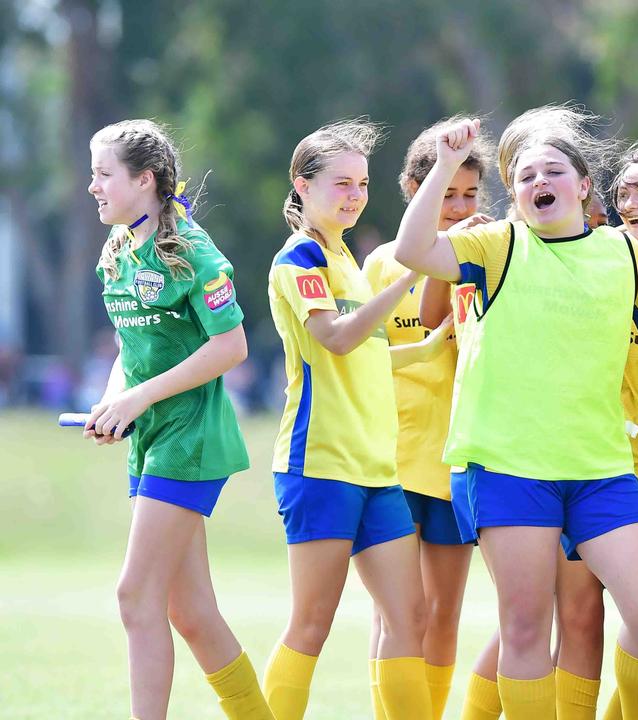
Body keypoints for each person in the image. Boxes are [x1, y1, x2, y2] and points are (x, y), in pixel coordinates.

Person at [393, 110, 638, 720]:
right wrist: (447, 163)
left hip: (600, 470)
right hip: (506, 466)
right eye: (525, 176)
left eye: (553, 171)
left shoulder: (622, 254)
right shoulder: (495, 245)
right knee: (527, 628)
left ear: (583, 186)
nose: (537, 182)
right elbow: (412, 249)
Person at [85, 118, 271, 720]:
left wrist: (138, 401)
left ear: (144, 180)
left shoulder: (192, 249)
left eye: (103, 174)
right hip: (151, 441)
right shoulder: (119, 250)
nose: (93, 186)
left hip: (190, 440)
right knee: (189, 614)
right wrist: (115, 401)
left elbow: (231, 347)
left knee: (135, 596)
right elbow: (130, 351)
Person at [264, 119, 444, 720]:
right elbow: (337, 338)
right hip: (320, 464)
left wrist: (428, 345)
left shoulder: (346, 257)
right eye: (341, 183)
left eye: (362, 184)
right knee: (312, 623)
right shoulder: (300, 258)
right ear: (302, 184)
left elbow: (366, 350)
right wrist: (413, 275)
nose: (354, 195)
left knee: (409, 617)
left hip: (376, 468)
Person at [361, 117, 495, 720]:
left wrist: (471, 254)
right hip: (392, 458)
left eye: (470, 194)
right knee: (396, 614)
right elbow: (362, 358)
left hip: (457, 458)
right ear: (414, 186)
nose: (460, 206)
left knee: (444, 613)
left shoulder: (489, 258)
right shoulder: (383, 265)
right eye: (446, 193)